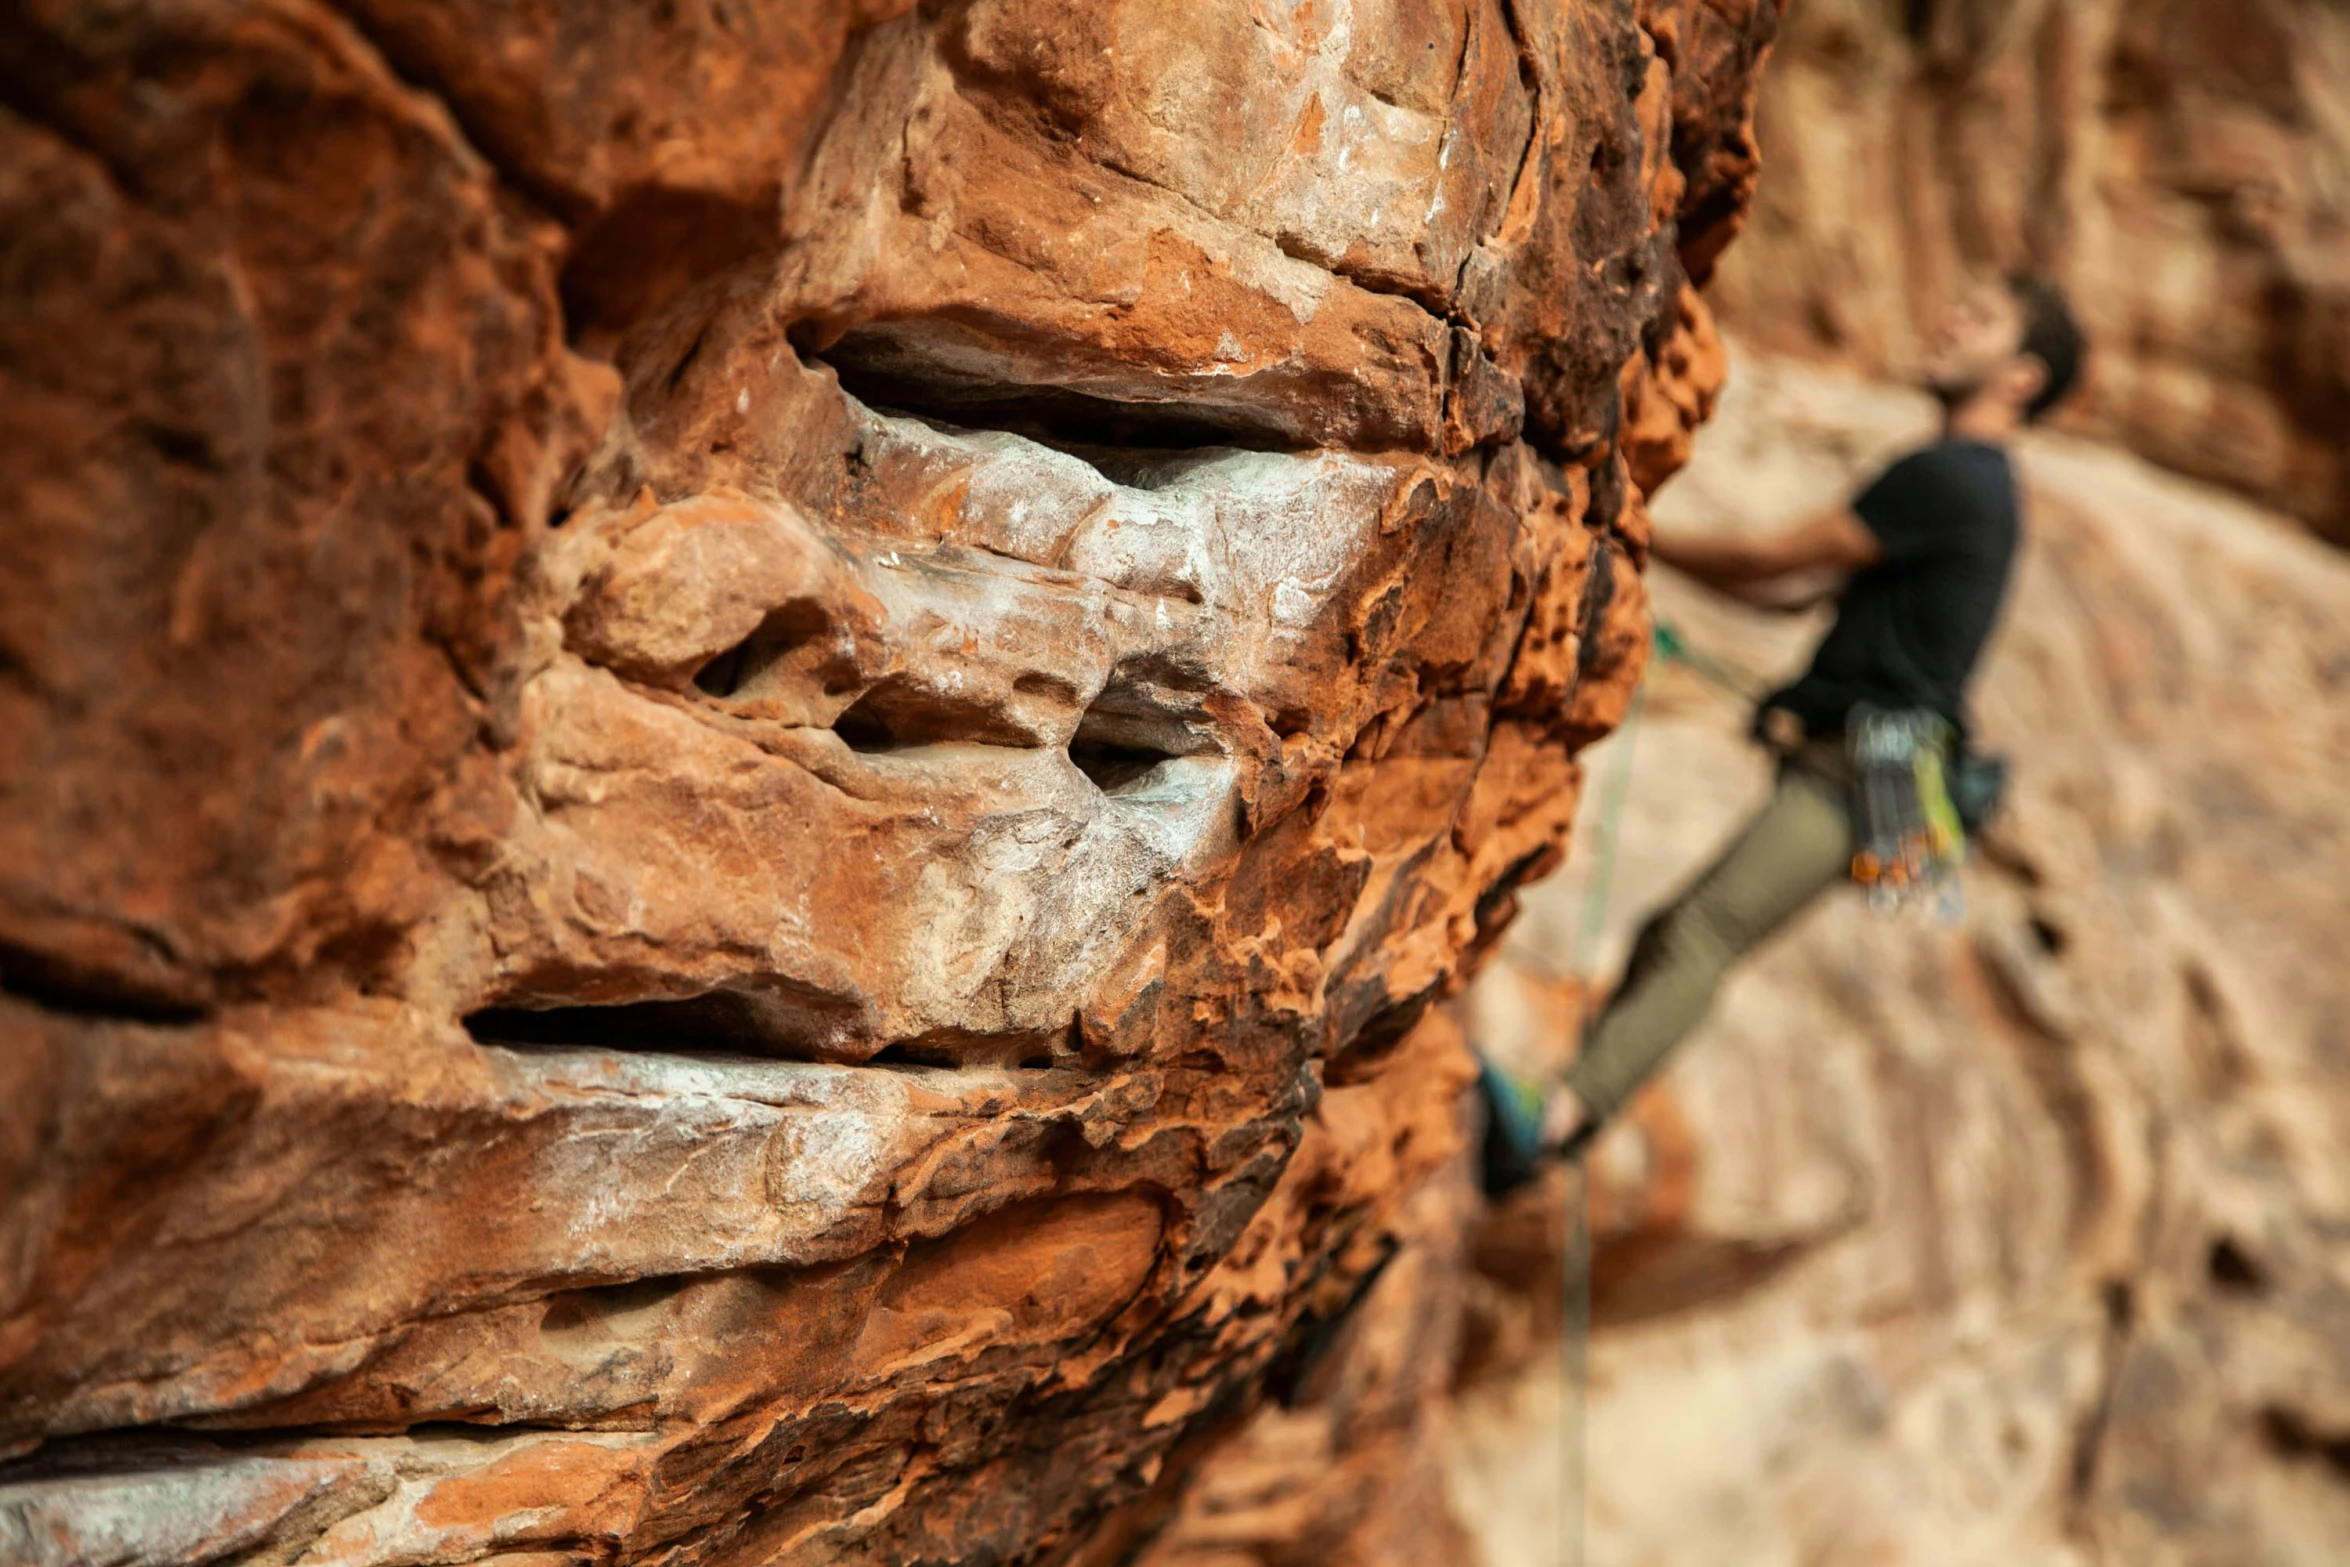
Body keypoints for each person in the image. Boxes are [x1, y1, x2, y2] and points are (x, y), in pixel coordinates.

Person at [1487, 272, 2086, 1185]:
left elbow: (1775, 558)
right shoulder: (1973, 486)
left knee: (1703, 933)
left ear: (2022, 377)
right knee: (1677, 931)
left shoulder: (1952, 478)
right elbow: (1790, 593)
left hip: (1863, 769)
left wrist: (1630, 525)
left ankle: (1554, 1118)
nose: (1951, 320)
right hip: (1872, 769)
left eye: (1983, 320)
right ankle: (1559, 1118)